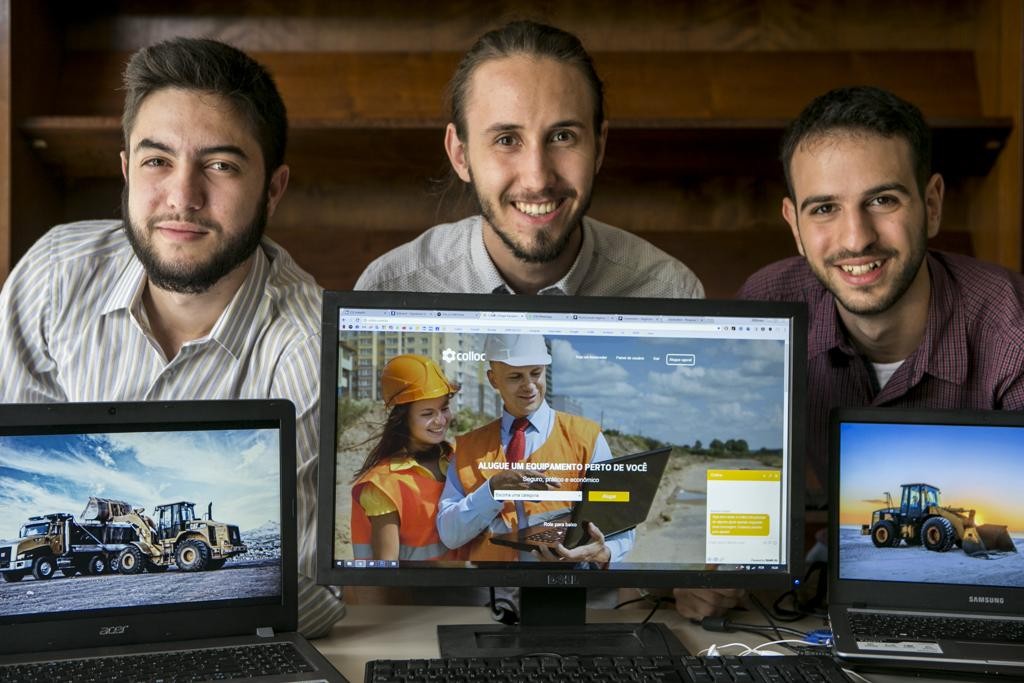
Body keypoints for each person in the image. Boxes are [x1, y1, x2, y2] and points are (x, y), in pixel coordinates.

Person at [0, 37, 344, 637]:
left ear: (274, 188)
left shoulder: (312, 349)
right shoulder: (54, 276)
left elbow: (300, 598)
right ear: (128, 169)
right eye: (158, 160)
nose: (182, 197)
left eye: (221, 165)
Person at [682, 85, 1024, 621]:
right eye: (825, 209)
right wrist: (707, 571)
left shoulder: (1013, 325)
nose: (856, 237)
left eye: (883, 200)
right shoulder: (768, 307)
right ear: (795, 225)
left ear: (931, 205)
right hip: (826, 601)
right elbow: (741, 470)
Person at [355, 20, 703, 299]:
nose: (537, 179)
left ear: (599, 147)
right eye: (506, 140)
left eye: (562, 137)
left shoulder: (669, 292)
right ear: (460, 155)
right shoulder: (390, 289)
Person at [436, 334, 633, 564]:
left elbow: (619, 519)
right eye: (515, 376)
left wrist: (604, 552)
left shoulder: (586, 438)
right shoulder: (468, 448)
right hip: (492, 588)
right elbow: (449, 535)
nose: (529, 386)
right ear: (493, 379)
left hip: (563, 585)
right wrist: (491, 490)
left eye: (536, 373)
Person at [351, 354, 461, 562]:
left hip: (469, 590)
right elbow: (385, 568)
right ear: (402, 419)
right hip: (414, 594)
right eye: (427, 413)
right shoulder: (384, 485)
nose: (440, 420)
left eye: (444, 408)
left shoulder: (458, 458)